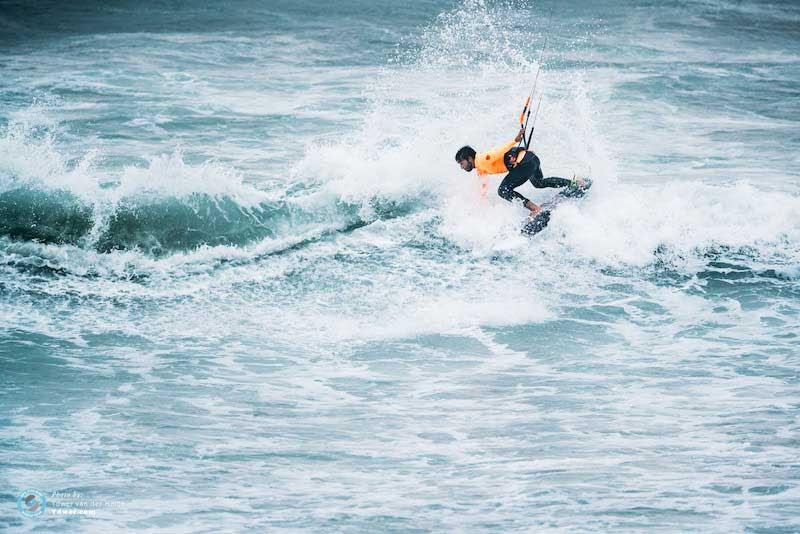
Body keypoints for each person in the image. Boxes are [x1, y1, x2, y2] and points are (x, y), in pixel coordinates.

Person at [455, 128, 584, 216]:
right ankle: (575, 182)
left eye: (461, 163)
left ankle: (535, 209)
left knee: (503, 190)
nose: (461, 166)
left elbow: (498, 152)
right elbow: (483, 185)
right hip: (531, 159)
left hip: (525, 163)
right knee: (539, 183)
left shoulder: (482, 159)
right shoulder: (480, 168)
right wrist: (482, 203)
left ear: (469, 158)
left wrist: (515, 140)